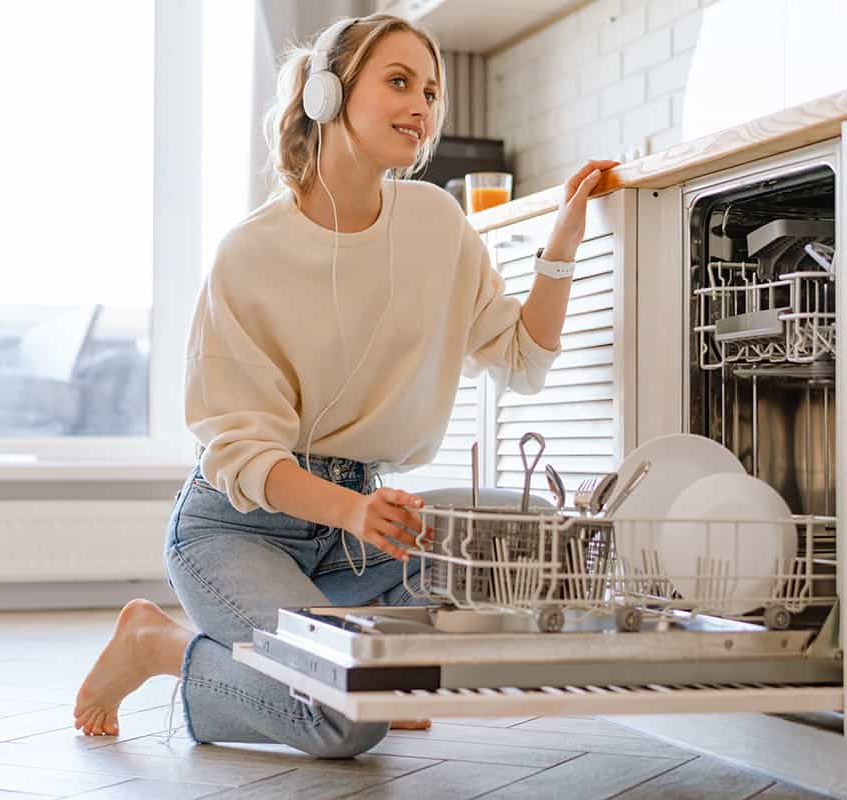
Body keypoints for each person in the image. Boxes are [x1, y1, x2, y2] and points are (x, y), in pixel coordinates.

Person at [73, 11, 616, 757]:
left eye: (430, 90)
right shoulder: (250, 254)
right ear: (327, 95)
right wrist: (354, 512)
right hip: (240, 526)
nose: (421, 106)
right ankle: (158, 644)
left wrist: (562, 245)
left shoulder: (436, 222)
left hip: (365, 531)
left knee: (512, 548)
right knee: (341, 722)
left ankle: (364, 673)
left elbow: (521, 357)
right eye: (399, 82)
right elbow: (242, 457)